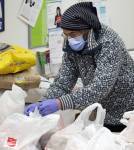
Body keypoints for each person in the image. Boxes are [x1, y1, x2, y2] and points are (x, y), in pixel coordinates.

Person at [25, 2, 134, 131]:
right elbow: (62, 83)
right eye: (65, 34)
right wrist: (42, 103)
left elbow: (100, 87)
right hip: (103, 112)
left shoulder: (109, 42)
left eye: (72, 34)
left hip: (128, 110)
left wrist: (60, 103)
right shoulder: (71, 45)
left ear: (88, 30)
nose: (69, 39)